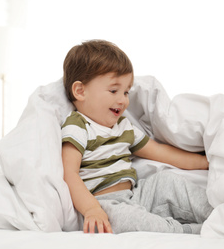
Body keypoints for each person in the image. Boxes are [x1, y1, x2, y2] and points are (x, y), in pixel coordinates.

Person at [61, 39, 213, 234]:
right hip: (105, 206)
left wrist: (202, 162)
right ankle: (193, 231)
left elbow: (158, 151)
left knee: (166, 181)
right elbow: (69, 173)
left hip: (136, 194)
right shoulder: (78, 125)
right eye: (114, 90)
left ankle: (216, 214)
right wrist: (91, 210)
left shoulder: (124, 126)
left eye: (126, 92)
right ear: (80, 91)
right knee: (135, 222)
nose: (123, 100)